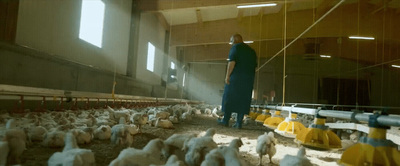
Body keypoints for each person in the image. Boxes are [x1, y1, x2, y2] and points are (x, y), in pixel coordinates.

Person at [218, 34, 257, 129]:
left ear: (234, 41)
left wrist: (227, 76)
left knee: (229, 98)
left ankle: (225, 120)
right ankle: (238, 123)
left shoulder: (235, 48)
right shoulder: (252, 51)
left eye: (231, 41)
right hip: (248, 80)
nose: (231, 44)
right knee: (243, 100)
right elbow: (255, 66)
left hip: (236, 79)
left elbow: (232, 63)